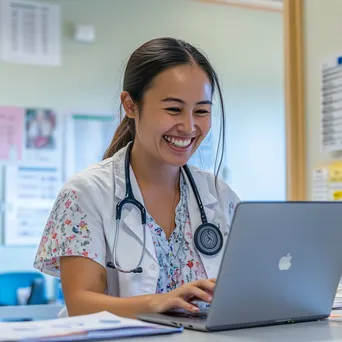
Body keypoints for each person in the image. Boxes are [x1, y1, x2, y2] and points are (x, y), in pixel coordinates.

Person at [33, 37, 240, 318]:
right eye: (173, 109)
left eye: (201, 111)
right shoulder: (86, 193)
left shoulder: (220, 196)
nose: (189, 126)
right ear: (130, 105)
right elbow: (81, 304)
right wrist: (158, 302)